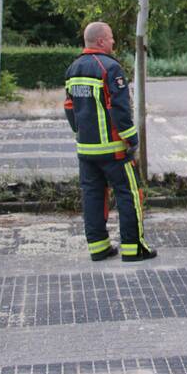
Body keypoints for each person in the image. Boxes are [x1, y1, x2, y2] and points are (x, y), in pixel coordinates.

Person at [64, 22, 155, 262]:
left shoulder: (73, 68)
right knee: (130, 194)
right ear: (102, 41)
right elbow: (120, 108)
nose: (114, 42)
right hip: (114, 150)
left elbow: (69, 107)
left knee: (93, 196)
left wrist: (81, 130)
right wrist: (132, 140)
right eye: (111, 38)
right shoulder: (110, 68)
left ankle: (98, 247)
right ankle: (133, 248)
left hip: (86, 149)